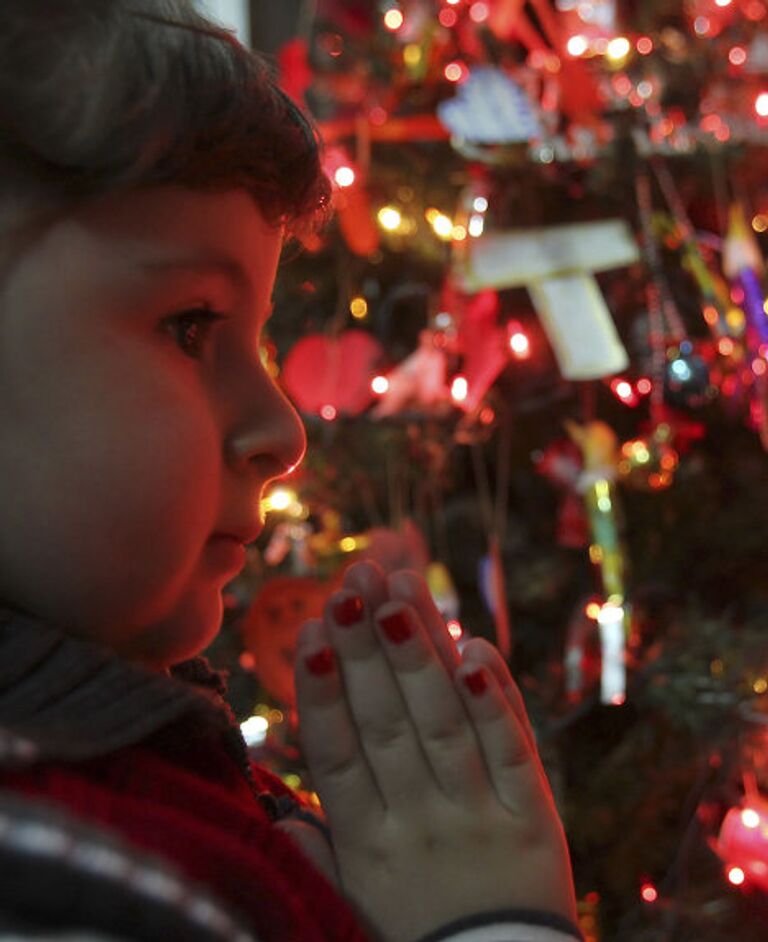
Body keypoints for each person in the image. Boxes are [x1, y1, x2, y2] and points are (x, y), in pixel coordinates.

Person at [0, 2, 582, 940]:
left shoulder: (146, 761)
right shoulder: (49, 881)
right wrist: (492, 927)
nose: (284, 430)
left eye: (262, 342)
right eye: (190, 325)